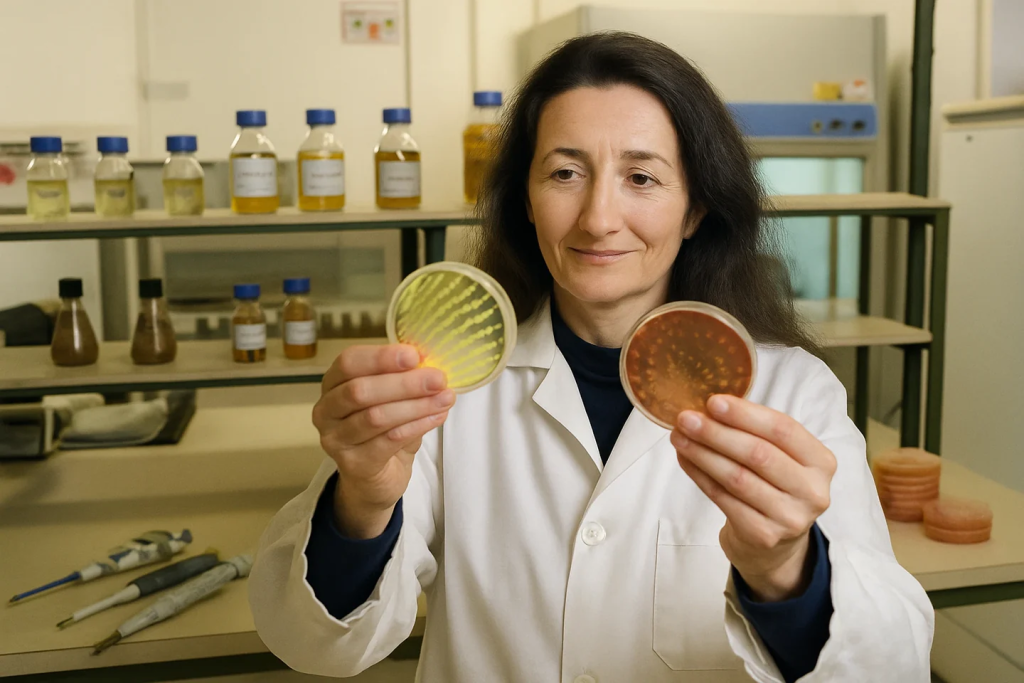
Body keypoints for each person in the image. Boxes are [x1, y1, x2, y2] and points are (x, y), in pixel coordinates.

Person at [249, 32, 933, 682]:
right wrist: (362, 501)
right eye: (566, 172)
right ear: (526, 199)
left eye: (642, 177)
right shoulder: (444, 384)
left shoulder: (791, 392)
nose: (599, 219)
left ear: (695, 209)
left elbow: (891, 665)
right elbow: (312, 641)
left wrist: (785, 568)